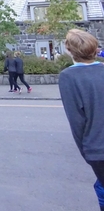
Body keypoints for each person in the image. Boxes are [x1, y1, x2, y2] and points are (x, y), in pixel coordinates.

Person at [59, 29, 104, 211]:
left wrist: (86, 152)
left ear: (69, 50)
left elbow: (77, 121)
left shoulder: (68, 77)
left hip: (97, 148)